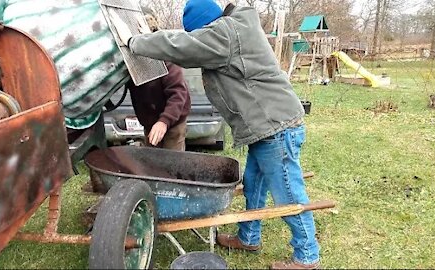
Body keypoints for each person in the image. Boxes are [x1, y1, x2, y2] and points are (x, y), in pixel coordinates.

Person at [112, 0, 320, 269]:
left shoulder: (225, 33)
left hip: (276, 126)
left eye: (200, 34)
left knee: (288, 192)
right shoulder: (234, 29)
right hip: (266, 127)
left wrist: (134, 41)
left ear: (207, 26)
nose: (200, 39)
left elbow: (180, 46)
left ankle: (307, 256)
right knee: (254, 185)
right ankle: (249, 237)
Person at [126, 7, 191, 150]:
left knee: (173, 164)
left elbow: (178, 94)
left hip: (173, 121)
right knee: (153, 163)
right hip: (150, 122)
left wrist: (164, 121)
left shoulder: (165, 56)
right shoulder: (131, 58)